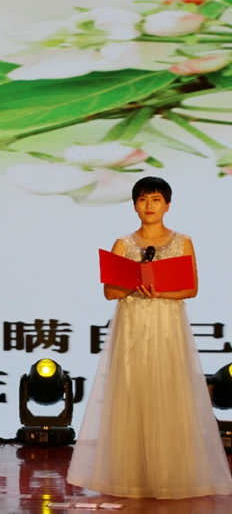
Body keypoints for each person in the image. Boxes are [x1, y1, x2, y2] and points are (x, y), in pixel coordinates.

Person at [67, 176, 232, 498]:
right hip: (132, 327)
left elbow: (191, 288)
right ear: (134, 206)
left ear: (167, 205)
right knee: (132, 394)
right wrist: (134, 285)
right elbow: (110, 292)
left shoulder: (182, 241)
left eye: (156, 199)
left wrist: (160, 292)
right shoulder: (123, 243)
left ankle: (169, 476)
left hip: (167, 326)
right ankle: (131, 477)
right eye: (143, 199)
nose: (149, 206)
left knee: (168, 395)